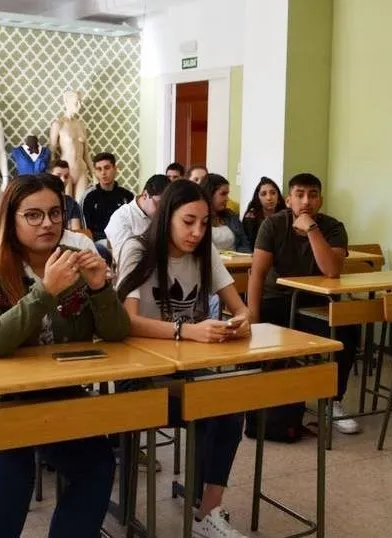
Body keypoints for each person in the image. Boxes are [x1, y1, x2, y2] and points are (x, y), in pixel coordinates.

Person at [0, 174, 126, 537]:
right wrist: (45, 291)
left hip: (58, 393)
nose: (48, 223)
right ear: (10, 218)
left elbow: (116, 334)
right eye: (33, 215)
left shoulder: (75, 262)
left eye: (55, 213)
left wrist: (100, 287)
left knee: (98, 463)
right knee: (12, 470)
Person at [116, 180, 251, 538]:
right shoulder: (137, 249)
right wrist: (185, 331)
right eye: (188, 221)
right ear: (165, 217)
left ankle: (208, 508)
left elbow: (241, 309)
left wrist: (237, 323)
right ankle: (203, 508)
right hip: (140, 375)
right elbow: (125, 322)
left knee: (229, 404)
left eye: (204, 223)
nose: (197, 232)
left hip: (187, 370)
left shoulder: (204, 253)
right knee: (217, 406)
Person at [247, 173, 362, 434]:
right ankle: (263, 404)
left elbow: (331, 270)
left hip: (315, 303)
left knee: (346, 332)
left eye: (312, 195)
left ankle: (333, 400)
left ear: (320, 200)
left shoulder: (333, 227)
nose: (306, 201)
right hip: (275, 300)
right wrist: (252, 315)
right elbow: (257, 273)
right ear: (288, 200)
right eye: (299, 195)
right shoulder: (273, 225)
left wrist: (311, 229)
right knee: (261, 341)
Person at [105, 173, 170, 266]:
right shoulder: (121, 218)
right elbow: (126, 259)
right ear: (145, 195)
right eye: (159, 204)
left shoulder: (163, 215)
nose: (163, 210)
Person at [80, 152, 134, 250]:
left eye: (107, 168)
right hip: (98, 244)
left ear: (115, 169)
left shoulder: (127, 196)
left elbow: (133, 224)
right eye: (99, 169)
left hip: (124, 242)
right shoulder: (88, 197)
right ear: (95, 172)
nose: (103, 173)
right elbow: (86, 229)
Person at [201, 174, 250, 253]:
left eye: (227, 194)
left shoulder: (231, 216)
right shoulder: (199, 218)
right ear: (209, 193)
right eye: (223, 194)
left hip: (236, 263)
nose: (227, 199)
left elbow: (244, 244)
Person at [241, 177, 286, 249]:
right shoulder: (251, 217)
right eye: (263, 194)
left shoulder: (286, 215)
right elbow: (250, 245)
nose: (269, 198)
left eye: (273, 193)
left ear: (278, 196)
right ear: (258, 198)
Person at [50, 160, 85, 230]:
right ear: (49, 175)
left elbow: (76, 231)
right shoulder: (40, 200)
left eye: (66, 177)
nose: (63, 180)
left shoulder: (71, 203)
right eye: (58, 176)